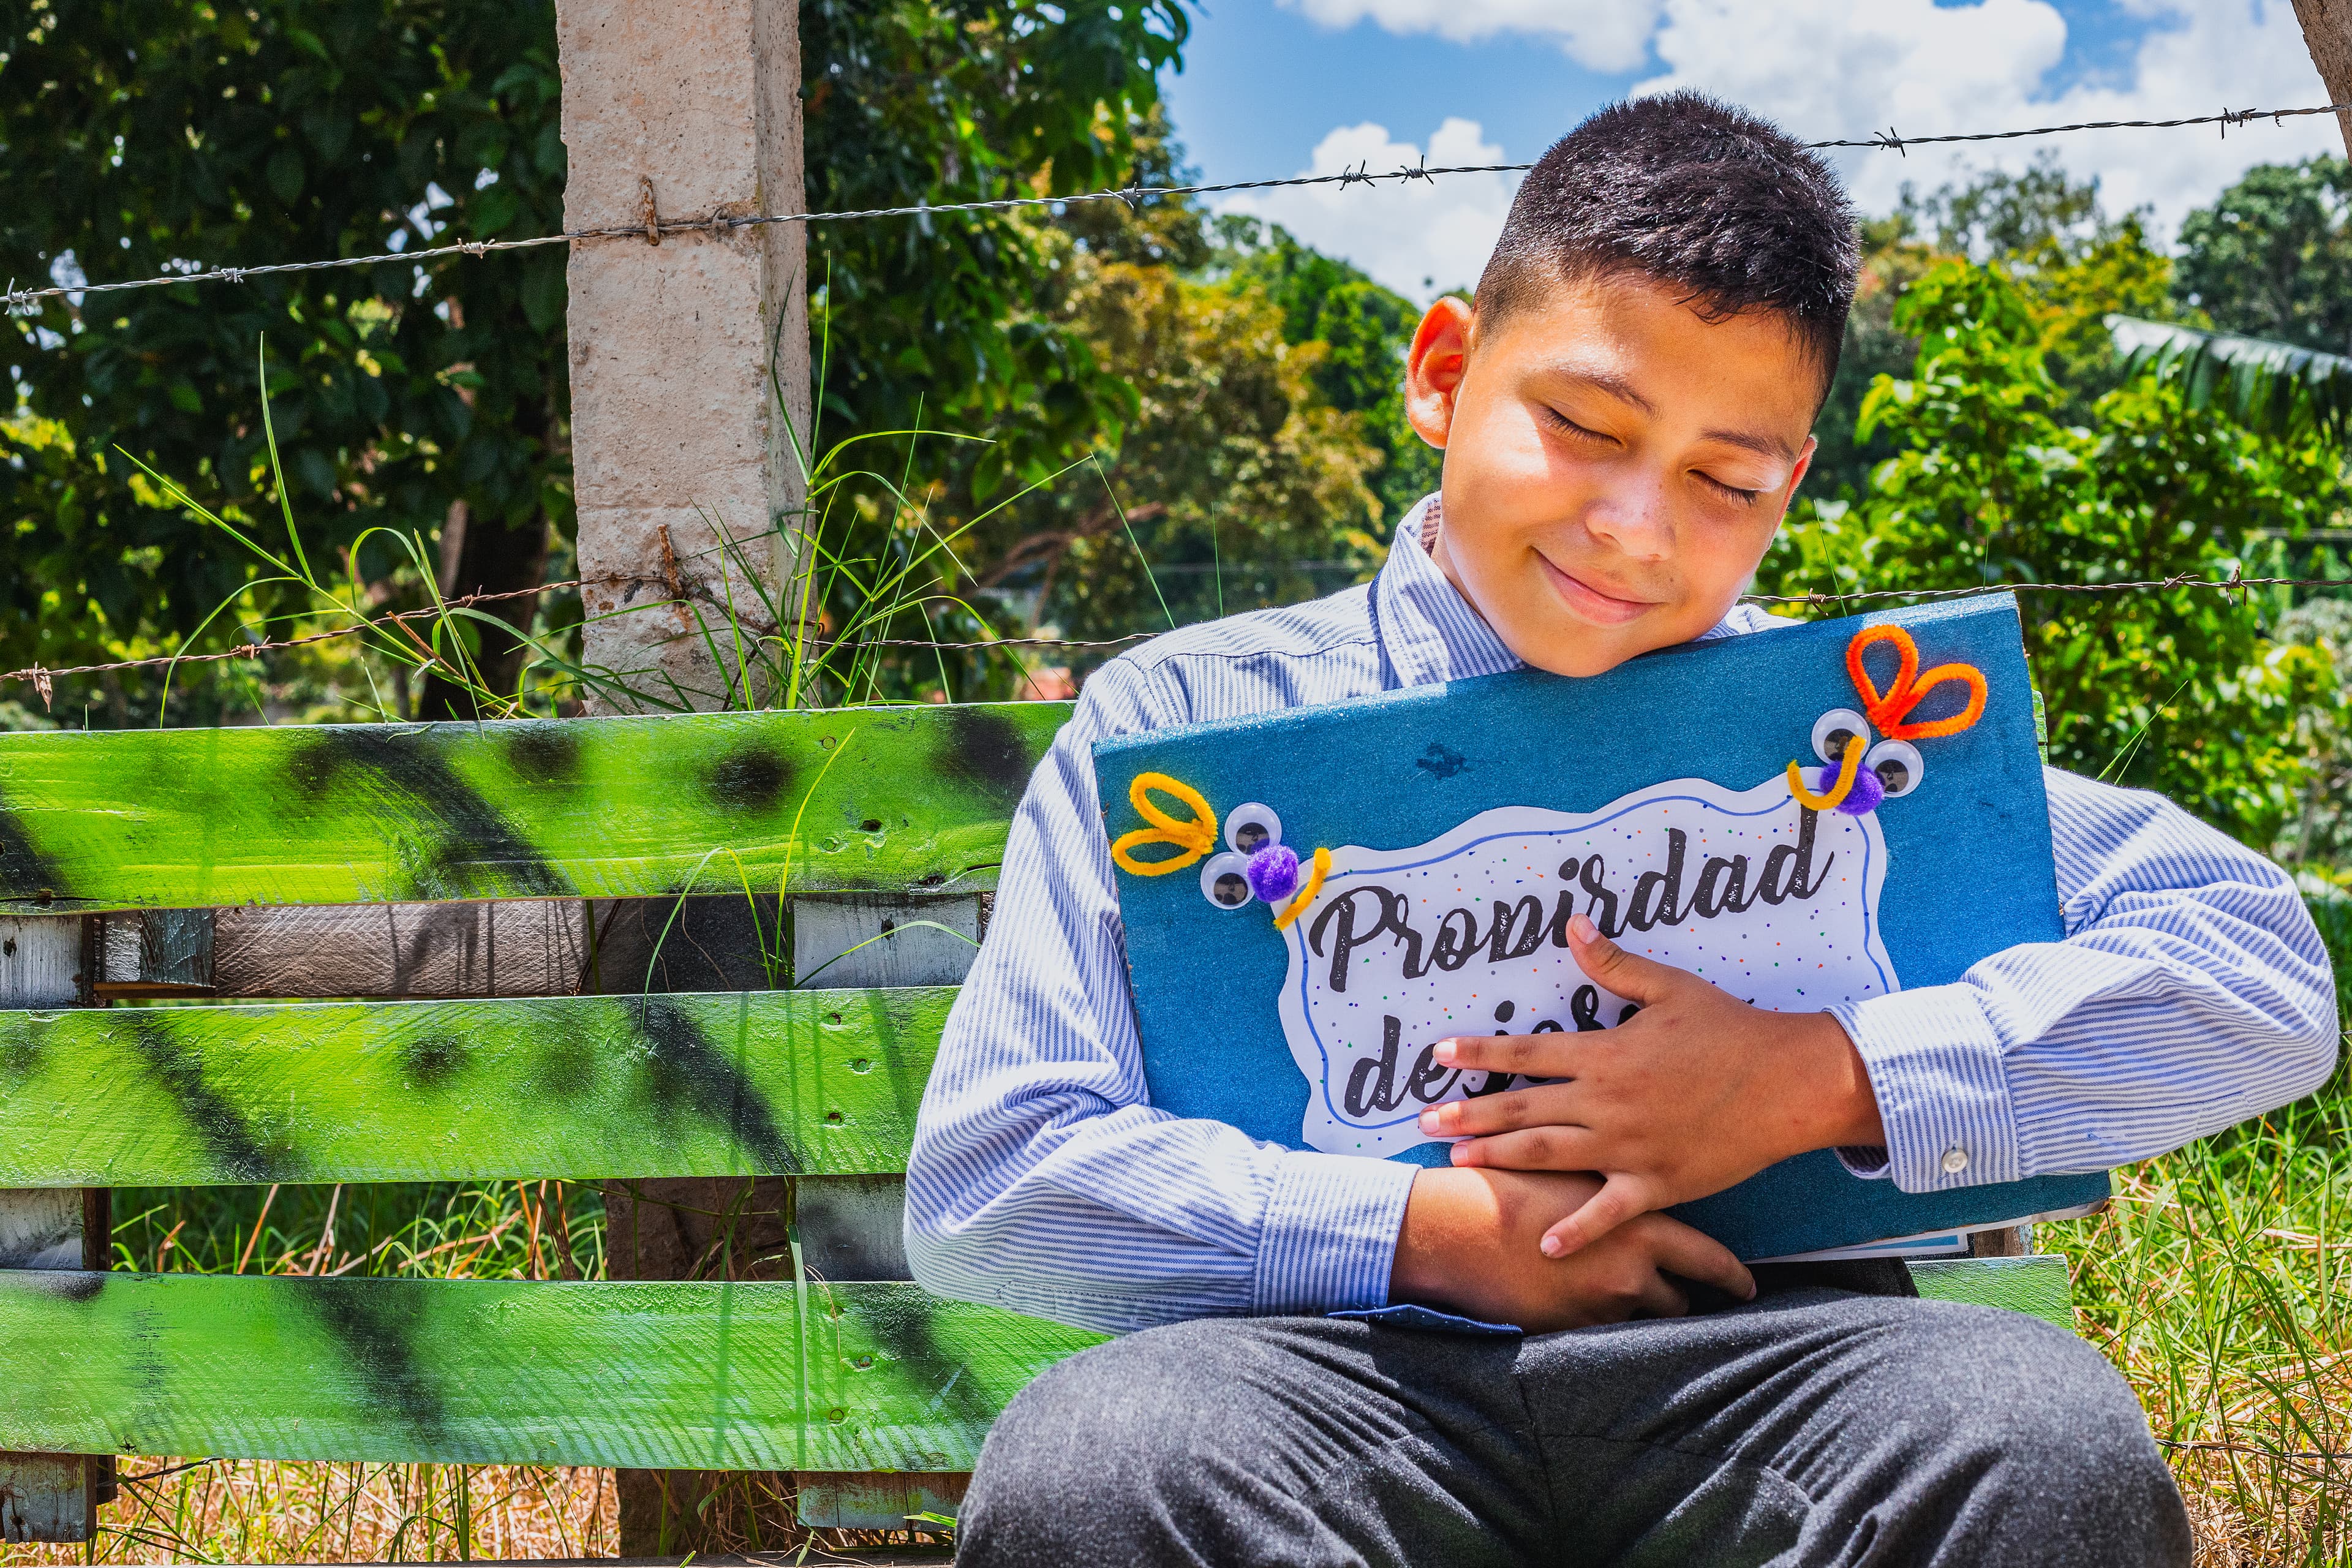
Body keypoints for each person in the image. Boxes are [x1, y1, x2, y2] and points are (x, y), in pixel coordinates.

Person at [905, 92, 2339, 1567]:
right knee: (1093, 1463)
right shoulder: (1186, 726)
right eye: (1584, 426)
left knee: (2043, 1445)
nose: (1638, 528)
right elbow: (992, 1176)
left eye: (1727, 480)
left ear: (1787, 487)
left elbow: (2260, 970)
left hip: (1784, 1356)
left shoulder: (1842, 719)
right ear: (1446, 373)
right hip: (1324, 1373)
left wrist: (1818, 1076)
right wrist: (1437, 1231)